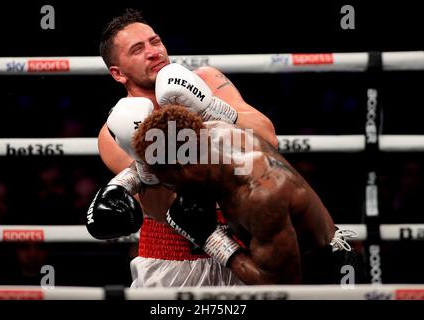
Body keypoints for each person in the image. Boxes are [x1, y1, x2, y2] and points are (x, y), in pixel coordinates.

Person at [89, 8, 277, 287]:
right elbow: (162, 208)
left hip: (249, 241)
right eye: (137, 49)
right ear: (118, 73)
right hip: (170, 258)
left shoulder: (207, 81)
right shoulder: (112, 134)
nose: (153, 52)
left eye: (155, 41)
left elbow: (268, 138)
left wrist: (210, 108)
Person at [132, 105, 363, 284]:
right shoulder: (213, 132)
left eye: (171, 184)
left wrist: (211, 239)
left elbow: (280, 288)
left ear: (182, 167)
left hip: (326, 276)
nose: (175, 191)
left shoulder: (259, 197)